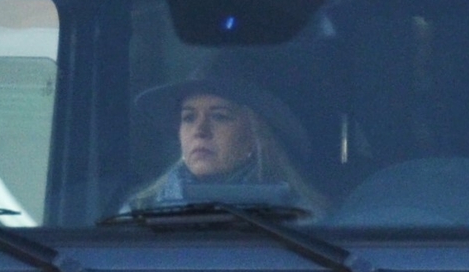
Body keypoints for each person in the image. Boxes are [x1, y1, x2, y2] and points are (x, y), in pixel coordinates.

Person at [126, 61, 325, 214]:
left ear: (256, 135)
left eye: (219, 116)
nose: (200, 130)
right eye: (188, 117)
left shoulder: (298, 214)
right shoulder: (141, 210)